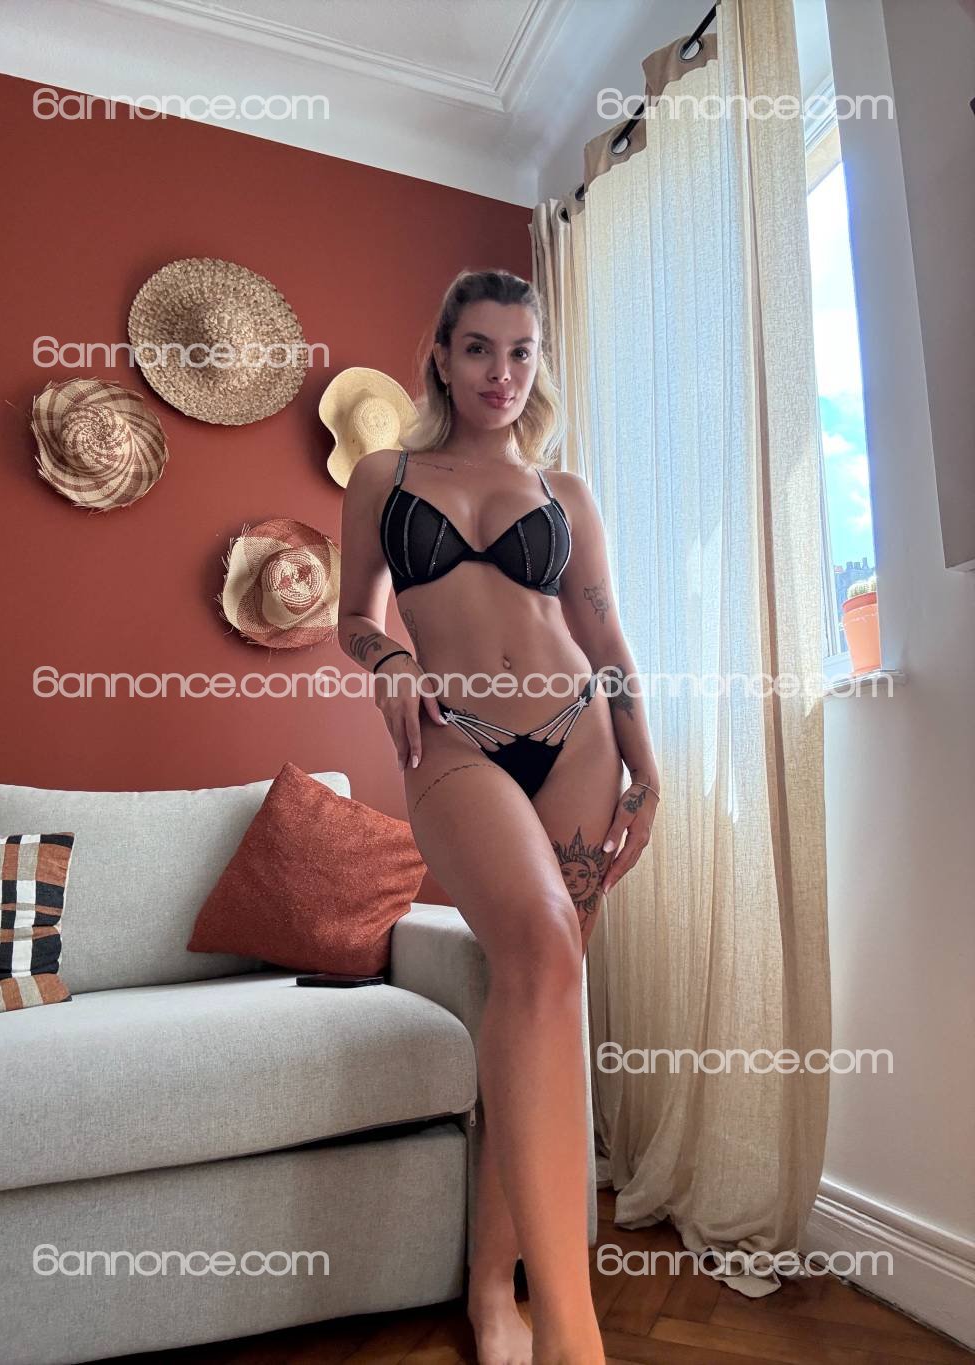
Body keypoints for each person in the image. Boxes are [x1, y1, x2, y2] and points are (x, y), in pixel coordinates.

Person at [337, 268, 660, 1365]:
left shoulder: (564, 493)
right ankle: (575, 1332)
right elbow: (351, 616)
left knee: (542, 992)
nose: (501, 372)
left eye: (521, 352)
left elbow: (605, 642)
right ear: (440, 355)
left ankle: (494, 1285)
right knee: (540, 953)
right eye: (478, 348)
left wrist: (647, 773)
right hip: (454, 738)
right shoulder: (385, 475)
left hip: (580, 738)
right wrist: (388, 658)